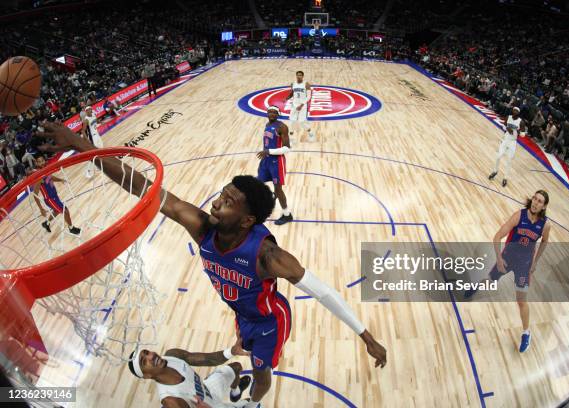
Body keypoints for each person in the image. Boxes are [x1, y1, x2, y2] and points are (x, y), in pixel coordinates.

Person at [36, 122, 387, 408]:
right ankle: (244, 383)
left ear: (248, 220)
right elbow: (143, 187)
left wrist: (366, 336)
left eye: (229, 202)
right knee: (240, 357)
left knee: (262, 372)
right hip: (241, 312)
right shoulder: (202, 226)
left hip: (269, 321)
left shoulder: (268, 256)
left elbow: (323, 291)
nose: (217, 203)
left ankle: (253, 402)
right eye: (222, 194)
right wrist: (82, 146)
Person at [465, 190, 551, 353]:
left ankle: (526, 333)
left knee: (521, 301)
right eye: (534, 198)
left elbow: (545, 242)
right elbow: (497, 237)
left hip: (524, 265)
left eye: (540, 201)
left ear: (544, 206)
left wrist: (535, 262)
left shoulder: (545, 225)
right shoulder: (519, 216)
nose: (535, 202)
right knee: (490, 281)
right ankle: (476, 286)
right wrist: (498, 258)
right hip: (507, 258)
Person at [127, 336, 252, 408]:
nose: (151, 356)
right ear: (147, 375)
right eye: (144, 361)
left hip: (209, 390)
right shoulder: (171, 401)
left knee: (236, 367)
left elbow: (207, 359)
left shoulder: (172, 355)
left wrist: (232, 351)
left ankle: (235, 393)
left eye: (147, 352)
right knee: (251, 404)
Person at [257, 106, 293, 226]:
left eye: (274, 113)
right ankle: (270, 200)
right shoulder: (267, 124)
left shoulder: (282, 127)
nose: (272, 114)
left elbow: (287, 148)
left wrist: (269, 151)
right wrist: (265, 153)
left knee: (278, 189)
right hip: (266, 161)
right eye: (270, 112)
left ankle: (287, 214)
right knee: (258, 183)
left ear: (278, 114)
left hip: (277, 162)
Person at [31, 152, 81, 236]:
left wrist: (61, 179)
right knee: (65, 211)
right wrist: (41, 209)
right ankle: (71, 228)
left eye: (42, 160)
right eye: (39, 161)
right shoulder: (38, 177)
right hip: (50, 199)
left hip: (54, 196)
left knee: (56, 211)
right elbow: (35, 194)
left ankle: (46, 223)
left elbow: (51, 177)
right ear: (36, 163)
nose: (42, 162)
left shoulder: (45, 169)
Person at [489, 106, 525, 187]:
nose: (515, 112)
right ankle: (495, 171)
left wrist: (515, 131)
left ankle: (505, 178)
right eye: (514, 110)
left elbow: (523, 134)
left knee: (509, 160)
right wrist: (507, 129)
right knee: (498, 156)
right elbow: (504, 126)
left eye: (516, 111)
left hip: (512, 142)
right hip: (505, 140)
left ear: (518, 113)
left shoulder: (521, 122)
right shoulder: (508, 117)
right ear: (512, 111)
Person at [284, 71, 314, 143]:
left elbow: (309, 96)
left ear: (303, 76)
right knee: (292, 121)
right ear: (296, 76)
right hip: (294, 105)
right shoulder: (293, 84)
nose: (299, 76)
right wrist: (287, 98)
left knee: (302, 121)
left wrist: (301, 105)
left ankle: (311, 134)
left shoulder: (306, 84)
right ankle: (291, 138)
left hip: (303, 105)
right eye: (297, 75)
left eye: (300, 75)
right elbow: (292, 93)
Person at [81, 105, 104, 178]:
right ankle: (88, 171)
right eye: (88, 110)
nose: (90, 111)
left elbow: (96, 122)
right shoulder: (86, 120)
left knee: (101, 149)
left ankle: (98, 166)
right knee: (94, 154)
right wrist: (87, 140)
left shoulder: (94, 115)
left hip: (97, 135)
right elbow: (83, 131)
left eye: (91, 109)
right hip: (92, 137)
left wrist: (100, 121)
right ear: (86, 111)